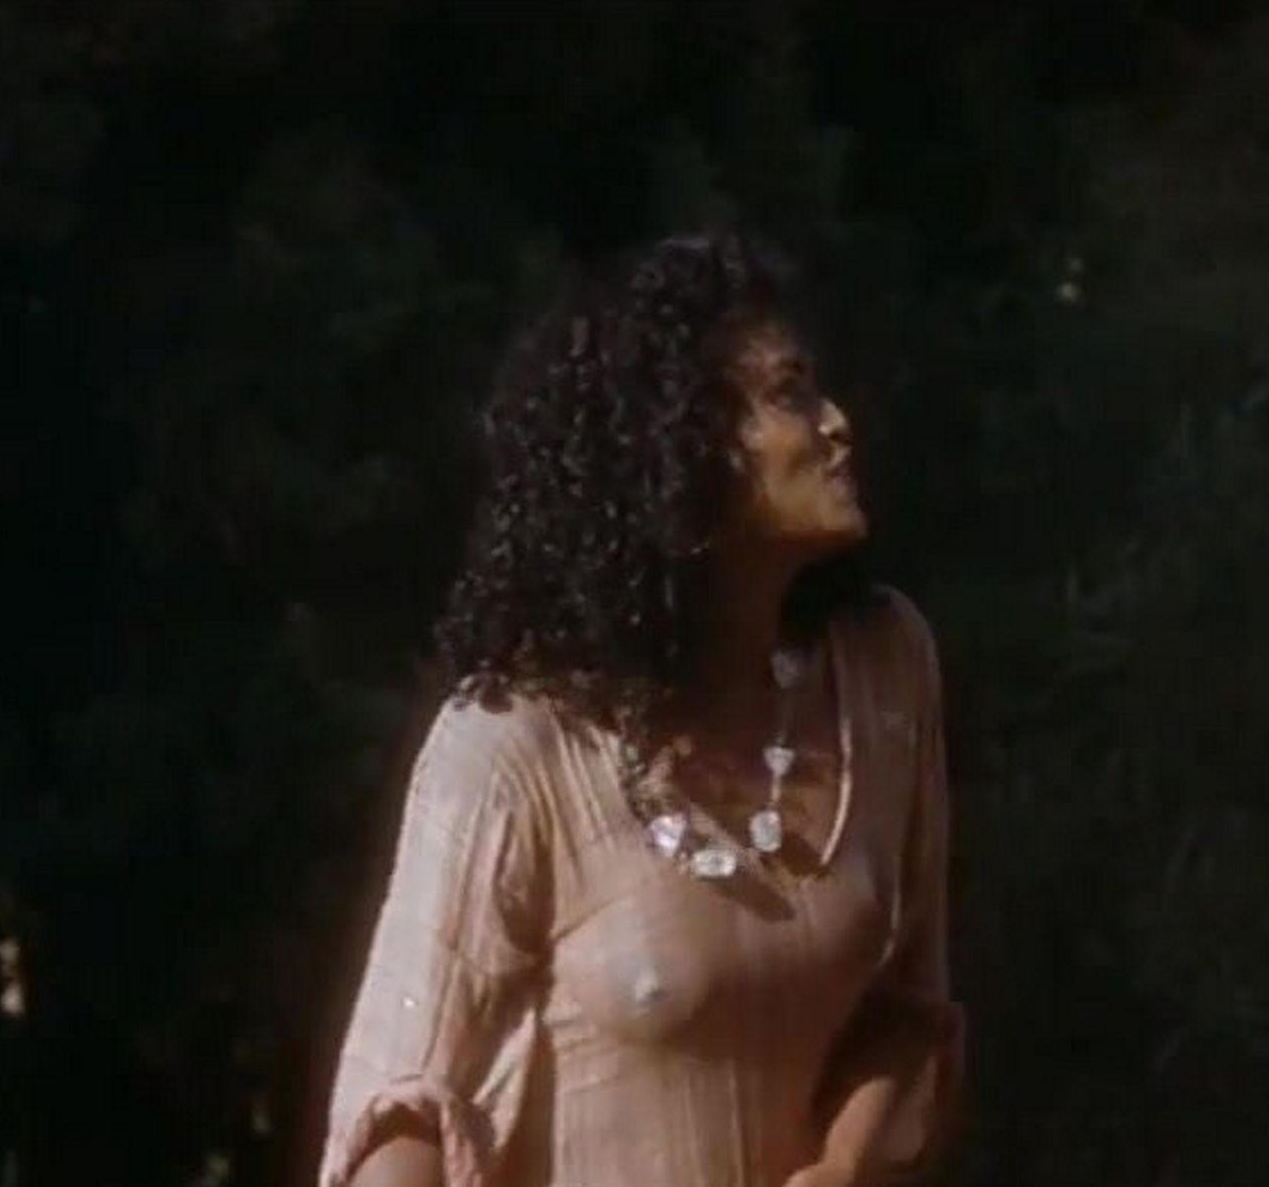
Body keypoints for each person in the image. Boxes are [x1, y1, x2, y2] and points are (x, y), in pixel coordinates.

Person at [319, 233, 961, 1187]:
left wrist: (842, 1167)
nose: (836, 424)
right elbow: (403, 1108)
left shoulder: (882, 671)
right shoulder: (511, 751)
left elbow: (910, 1012)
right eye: (789, 394)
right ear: (680, 452)